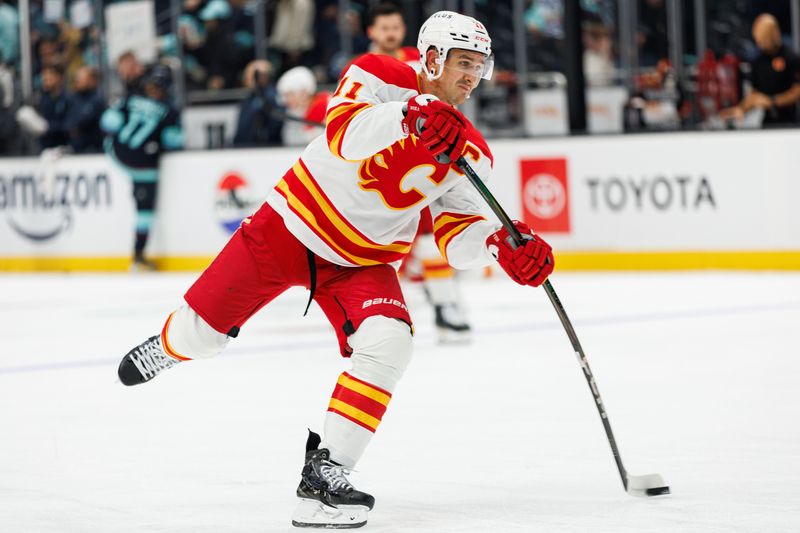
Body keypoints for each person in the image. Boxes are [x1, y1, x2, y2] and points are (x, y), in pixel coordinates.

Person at [115, 11, 554, 529]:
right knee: (201, 338)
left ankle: (325, 473)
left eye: (479, 66)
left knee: (391, 340)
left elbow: (457, 239)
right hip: (286, 230)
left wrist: (501, 246)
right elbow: (344, 132)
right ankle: (169, 346)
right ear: (432, 57)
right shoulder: (378, 74)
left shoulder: (472, 150)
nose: (471, 77)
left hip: (361, 263)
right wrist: (410, 114)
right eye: (462, 63)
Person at [101, 65, 183, 270]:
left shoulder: (130, 99)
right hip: (145, 165)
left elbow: (109, 122)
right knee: (145, 212)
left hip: (119, 154)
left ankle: (138, 256)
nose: (154, 89)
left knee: (144, 213)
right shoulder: (169, 111)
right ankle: (138, 257)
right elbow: (174, 141)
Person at [719, 14, 800, 126]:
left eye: (764, 38)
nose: (760, 43)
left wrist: (772, 102)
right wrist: (741, 109)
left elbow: (797, 91)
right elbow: (754, 95)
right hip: (767, 122)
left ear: (774, 34)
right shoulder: (758, 61)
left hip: (791, 122)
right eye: (759, 40)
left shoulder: (790, 57)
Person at [232, 59, 284, 146]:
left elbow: (274, 125)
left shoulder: (272, 98)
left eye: (249, 76)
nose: (246, 79)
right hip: (245, 148)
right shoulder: (249, 97)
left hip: (264, 149)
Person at [276, 66, 330, 146]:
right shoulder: (297, 112)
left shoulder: (324, 106)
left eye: (289, 95)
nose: (285, 100)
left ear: (304, 92)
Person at [64, 66, 105, 153]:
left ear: (92, 80)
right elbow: (67, 122)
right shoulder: (72, 98)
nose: (77, 80)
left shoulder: (97, 100)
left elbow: (85, 121)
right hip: (75, 147)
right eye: (76, 77)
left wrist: (76, 127)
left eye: (81, 78)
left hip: (93, 149)